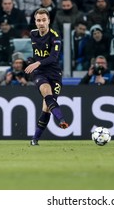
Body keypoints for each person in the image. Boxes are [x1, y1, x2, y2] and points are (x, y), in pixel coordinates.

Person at [26, 8, 68, 146]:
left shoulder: (55, 36)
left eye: (44, 20)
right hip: (39, 72)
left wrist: (37, 62)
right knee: (45, 92)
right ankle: (61, 120)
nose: (41, 23)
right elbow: (36, 53)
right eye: (38, 20)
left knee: (46, 107)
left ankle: (34, 139)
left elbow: (53, 58)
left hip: (54, 74)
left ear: (49, 21)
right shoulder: (32, 34)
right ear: (35, 22)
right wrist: (32, 62)